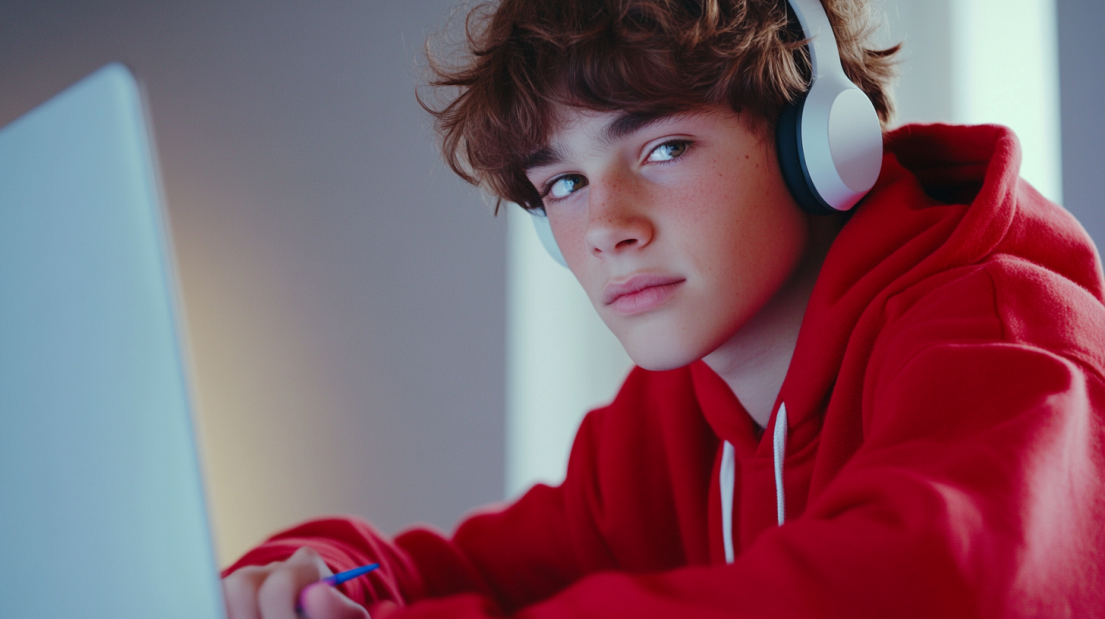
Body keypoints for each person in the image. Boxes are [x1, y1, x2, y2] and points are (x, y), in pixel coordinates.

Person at [220, 0, 1105, 617]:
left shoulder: (1000, 339)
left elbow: (931, 591)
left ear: (822, 142)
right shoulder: (669, 422)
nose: (604, 226)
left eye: (663, 146)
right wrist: (315, 581)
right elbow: (452, 567)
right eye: (561, 183)